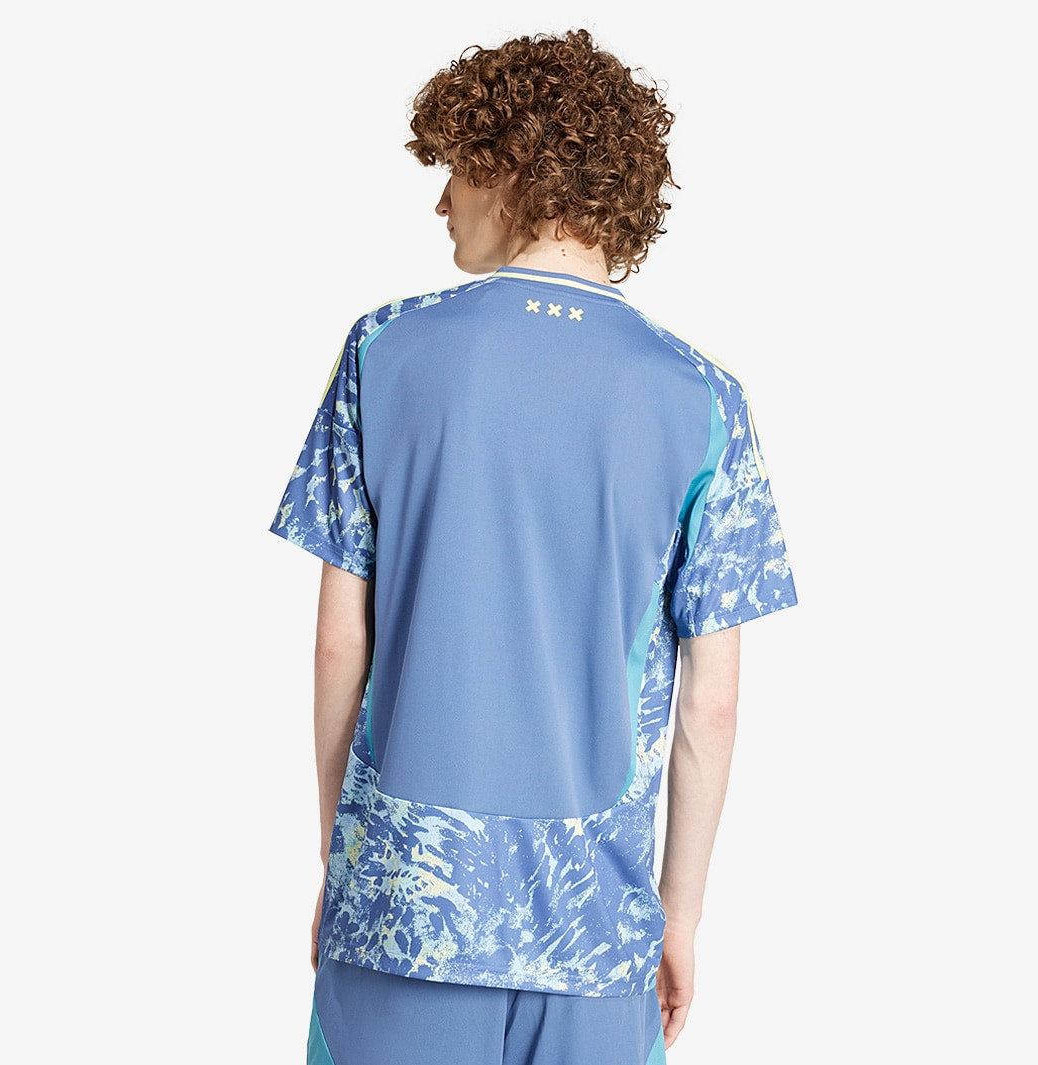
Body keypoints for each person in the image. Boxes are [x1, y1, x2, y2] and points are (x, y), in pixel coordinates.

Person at [269, 27, 799, 1065]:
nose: (441, 202)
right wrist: (679, 917)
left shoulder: (384, 349)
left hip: (405, 909)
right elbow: (713, 704)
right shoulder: (705, 399)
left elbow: (339, 644)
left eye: (457, 168)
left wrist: (347, 864)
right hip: (595, 931)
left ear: (517, 167)